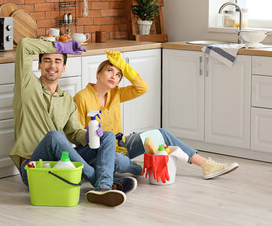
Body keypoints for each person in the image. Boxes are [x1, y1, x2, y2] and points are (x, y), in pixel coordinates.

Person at [9, 38, 136, 207]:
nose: (52, 65)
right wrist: (60, 47)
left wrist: (89, 135)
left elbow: (74, 134)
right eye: (47, 60)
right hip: (33, 168)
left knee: (107, 136)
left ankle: (104, 186)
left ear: (63, 68)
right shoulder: (26, 85)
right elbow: (24, 45)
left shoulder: (67, 100)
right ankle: (100, 183)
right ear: (39, 65)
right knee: (54, 137)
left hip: (62, 164)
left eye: (57, 61)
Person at [73, 51, 239, 180]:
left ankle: (206, 165)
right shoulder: (82, 98)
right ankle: (138, 168)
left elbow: (141, 88)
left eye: (118, 75)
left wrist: (124, 66)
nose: (114, 77)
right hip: (100, 152)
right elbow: (77, 134)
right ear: (98, 74)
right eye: (110, 71)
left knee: (162, 134)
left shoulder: (116, 93)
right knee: (118, 162)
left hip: (121, 144)